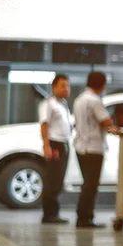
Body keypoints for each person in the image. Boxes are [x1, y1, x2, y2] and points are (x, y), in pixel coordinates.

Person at [72, 72, 117, 229]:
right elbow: (106, 121)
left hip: (81, 147)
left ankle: (83, 216)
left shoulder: (79, 100)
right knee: (91, 185)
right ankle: (85, 218)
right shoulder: (95, 101)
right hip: (93, 148)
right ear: (102, 84)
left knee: (87, 184)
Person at [39, 74, 73, 224]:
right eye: (62, 85)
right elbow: (44, 124)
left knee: (58, 180)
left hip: (63, 143)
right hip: (54, 144)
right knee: (52, 179)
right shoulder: (48, 104)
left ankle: (54, 213)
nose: (66, 89)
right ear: (54, 87)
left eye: (68, 85)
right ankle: (49, 214)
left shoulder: (63, 104)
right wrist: (47, 145)